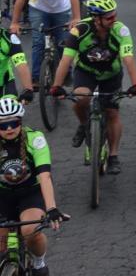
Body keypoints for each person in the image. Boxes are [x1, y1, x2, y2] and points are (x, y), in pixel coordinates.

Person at [50, 0, 136, 175]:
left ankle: (113, 156)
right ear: (96, 18)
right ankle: (85, 125)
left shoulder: (120, 30)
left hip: (111, 74)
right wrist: (56, 86)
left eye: (115, 15)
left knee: (112, 112)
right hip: (86, 72)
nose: (114, 20)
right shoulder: (79, 31)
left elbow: (128, 59)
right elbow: (66, 60)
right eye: (109, 18)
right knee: (80, 98)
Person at [0, 97, 67, 276]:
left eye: (13, 123)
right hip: (3, 195)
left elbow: (44, 176)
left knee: (30, 230)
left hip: (30, 193)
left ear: (20, 122)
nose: (9, 129)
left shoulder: (35, 139)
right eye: (3, 125)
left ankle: (39, 263)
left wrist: (52, 208)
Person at [9, 0, 80, 88]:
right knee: (38, 42)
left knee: (63, 43)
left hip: (60, 8)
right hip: (38, 8)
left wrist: (76, 17)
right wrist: (15, 22)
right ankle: (35, 78)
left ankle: (66, 74)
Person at [0, 26, 34, 101]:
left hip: (5, 84)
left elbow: (21, 64)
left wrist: (28, 89)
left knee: (10, 110)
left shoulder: (9, 38)